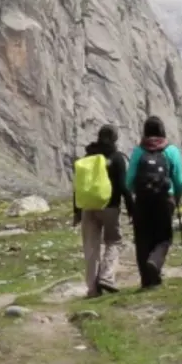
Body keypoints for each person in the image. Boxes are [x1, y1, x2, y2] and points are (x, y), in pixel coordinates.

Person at [124, 116, 182, 289]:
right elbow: (180, 181)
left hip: (142, 201)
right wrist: (177, 197)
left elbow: (129, 181)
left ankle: (147, 280)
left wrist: (139, 192)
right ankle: (155, 263)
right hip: (165, 200)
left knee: (142, 239)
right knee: (164, 237)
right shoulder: (171, 150)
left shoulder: (138, 151)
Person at [72, 124, 133, 298]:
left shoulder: (87, 157)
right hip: (110, 207)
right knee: (114, 241)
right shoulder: (117, 158)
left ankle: (92, 289)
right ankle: (106, 276)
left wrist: (77, 211)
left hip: (87, 207)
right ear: (115, 139)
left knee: (91, 248)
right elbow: (123, 186)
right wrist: (131, 208)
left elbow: (78, 186)